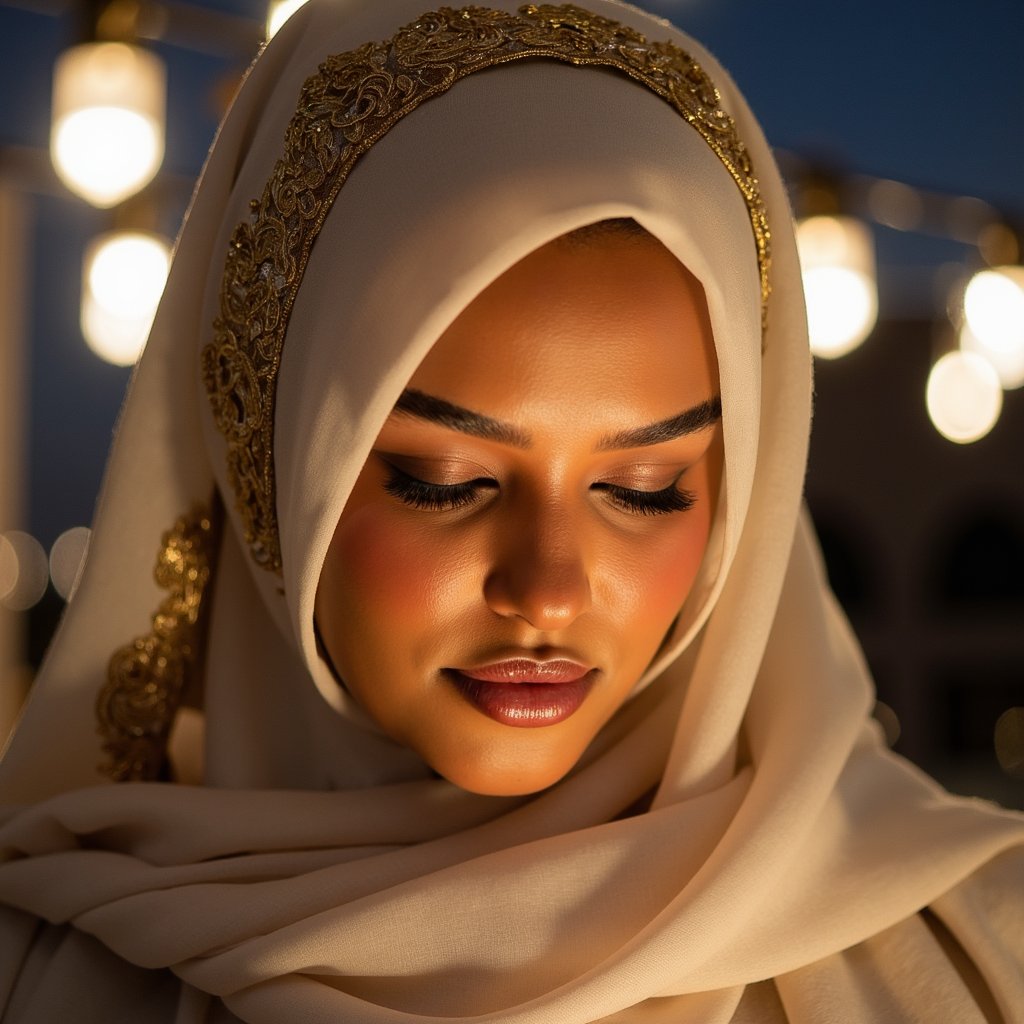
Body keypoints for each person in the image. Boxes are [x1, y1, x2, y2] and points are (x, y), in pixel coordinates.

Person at [1, 0, 1022, 1020]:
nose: (548, 591)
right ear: (272, 474)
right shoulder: (50, 967)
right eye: (444, 479)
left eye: (643, 490)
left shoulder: (981, 948)